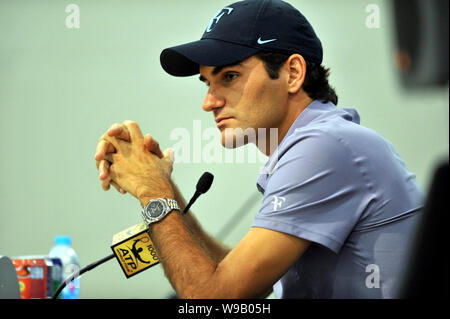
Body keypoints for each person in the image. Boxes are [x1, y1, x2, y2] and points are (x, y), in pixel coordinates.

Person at [94, 0, 424, 298]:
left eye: (230, 76)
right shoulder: (317, 142)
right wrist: (167, 192)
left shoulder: (323, 148)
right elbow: (246, 286)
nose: (209, 102)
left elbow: (211, 299)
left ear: (293, 73)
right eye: (208, 82)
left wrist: (153, 191)